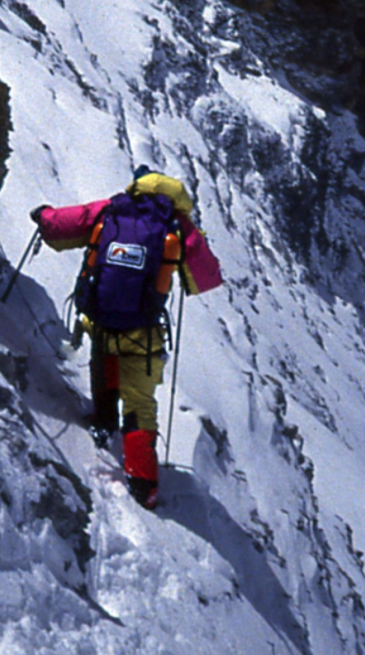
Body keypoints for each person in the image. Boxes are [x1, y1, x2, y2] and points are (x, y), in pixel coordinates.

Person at [30, 167, 223, 509]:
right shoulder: (178, 228)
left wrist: (42, 215)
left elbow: (59, 225)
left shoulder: (110, 211)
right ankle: (143, 484)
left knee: (104, 362)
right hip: (143, 333)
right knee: (140, 405)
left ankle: (103, 423)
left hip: (100, 320)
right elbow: (207, 278)